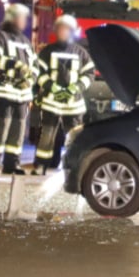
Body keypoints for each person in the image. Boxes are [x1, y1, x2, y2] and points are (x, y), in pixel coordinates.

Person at [32, 15, 95, 175]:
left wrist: (75, 88)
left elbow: (89, 74)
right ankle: (41, 166)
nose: (63, 32)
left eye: (66, 29)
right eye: (60, 29)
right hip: (51, 102)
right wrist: (53, 88)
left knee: (74, 138)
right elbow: (39, 73)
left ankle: (74, 167)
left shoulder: (81, 53)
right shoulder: (48, 51)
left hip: (74, 104)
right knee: (47, 135)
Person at [0, 3, 38, 175]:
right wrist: (16, 66)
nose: (25, 21)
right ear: (13, 18)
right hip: (3, 93)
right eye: (22, 18)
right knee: (0, 129)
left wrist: (29, 80)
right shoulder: (0, 37)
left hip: (22, 95)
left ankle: (12, 164)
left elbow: (35, 66)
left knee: (18, 131)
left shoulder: (25, 41)